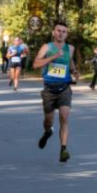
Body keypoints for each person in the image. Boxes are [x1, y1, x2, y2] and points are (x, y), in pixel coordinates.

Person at [32, 22, 80, 163]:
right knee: (49, 121)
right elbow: (35, 64)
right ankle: (48, 132)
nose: (61, 33)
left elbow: (70, 62)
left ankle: (63, 149)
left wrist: (74, 71)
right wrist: (52, 57)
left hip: (64, 88)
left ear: (67, 34)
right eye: (58, 31)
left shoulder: (70, 48)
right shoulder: (47, 47)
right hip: (49, 90)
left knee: (64, 117)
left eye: (64, 31)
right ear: (54, 32)